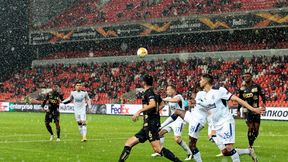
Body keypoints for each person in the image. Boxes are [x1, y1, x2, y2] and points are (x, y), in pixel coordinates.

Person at [196, 74, 265, 162]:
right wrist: (212, 128)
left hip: (226, 122)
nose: (199, 81)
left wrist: (253, 109)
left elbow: (237, 99)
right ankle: (248, 151)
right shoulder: (205, 96)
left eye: (201, 80)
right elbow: (210, 113)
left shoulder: (219, 90)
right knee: (225, 151)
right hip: (216, 126)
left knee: (229, 147)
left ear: (206, 81)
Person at [118, 75, 182, 162]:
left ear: (144, 82)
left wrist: (139, 111)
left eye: (141, 81)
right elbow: (162, 104)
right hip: (148, 125)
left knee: (158, 149)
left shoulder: (148, 92)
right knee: (129, 143)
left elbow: (152, 104)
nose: (140, 82)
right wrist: (153, 112)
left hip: (151, 125)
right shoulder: (154, 93)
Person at [151, 85, 192, 161]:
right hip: (172, 120)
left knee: (177, 139)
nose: (167, 91)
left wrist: (164, 99)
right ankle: (160, 151)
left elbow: (176, 100)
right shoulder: (169, 98)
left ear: (173, 90)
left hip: (179, 120)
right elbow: (162, 104)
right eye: (166, 90)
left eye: (168, 89)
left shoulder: (179, 96)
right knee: (160, 133)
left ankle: (190, 153)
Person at [237, 72, 266, 155]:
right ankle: (250, 146)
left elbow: (263, 95)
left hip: (256, 110)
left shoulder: (257, 86)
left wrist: (264, 104)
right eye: (244, 76)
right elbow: (240, 100)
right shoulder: (242, 88)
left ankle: (251, 144)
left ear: (251, 77)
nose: (246, 78)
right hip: (247, 110)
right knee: (251, 128)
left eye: (247, 76)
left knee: (256, 129)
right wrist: (238, 110)